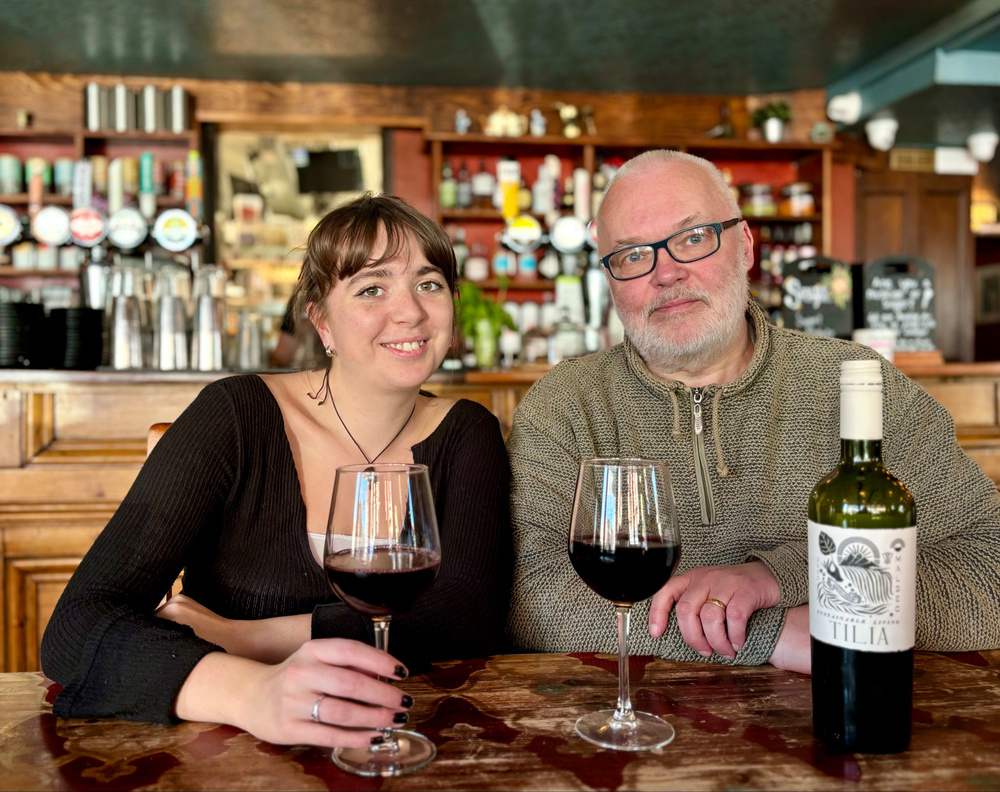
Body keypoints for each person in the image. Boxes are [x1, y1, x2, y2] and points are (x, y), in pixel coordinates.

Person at [41, 194, 512, 750]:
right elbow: (75, 627)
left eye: (429, 284)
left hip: (418, 737)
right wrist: (250, 692)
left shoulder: (468, 431)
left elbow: (463, 615)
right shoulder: (236, 415)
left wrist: (241, 638)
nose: (409, 311)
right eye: (371, 288)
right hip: (221, 751)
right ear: (322, 321)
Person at [506, 149, 1000, 673]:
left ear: (744, 246)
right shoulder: (565, 405)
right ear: (609, 279)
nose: (666, 273)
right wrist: (773, 634)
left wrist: (780, 577)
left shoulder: (859, 385)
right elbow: (531, 600)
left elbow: (988, 563)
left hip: (840, 724)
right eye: (631, 255)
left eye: (693, 238)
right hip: (624, 731)